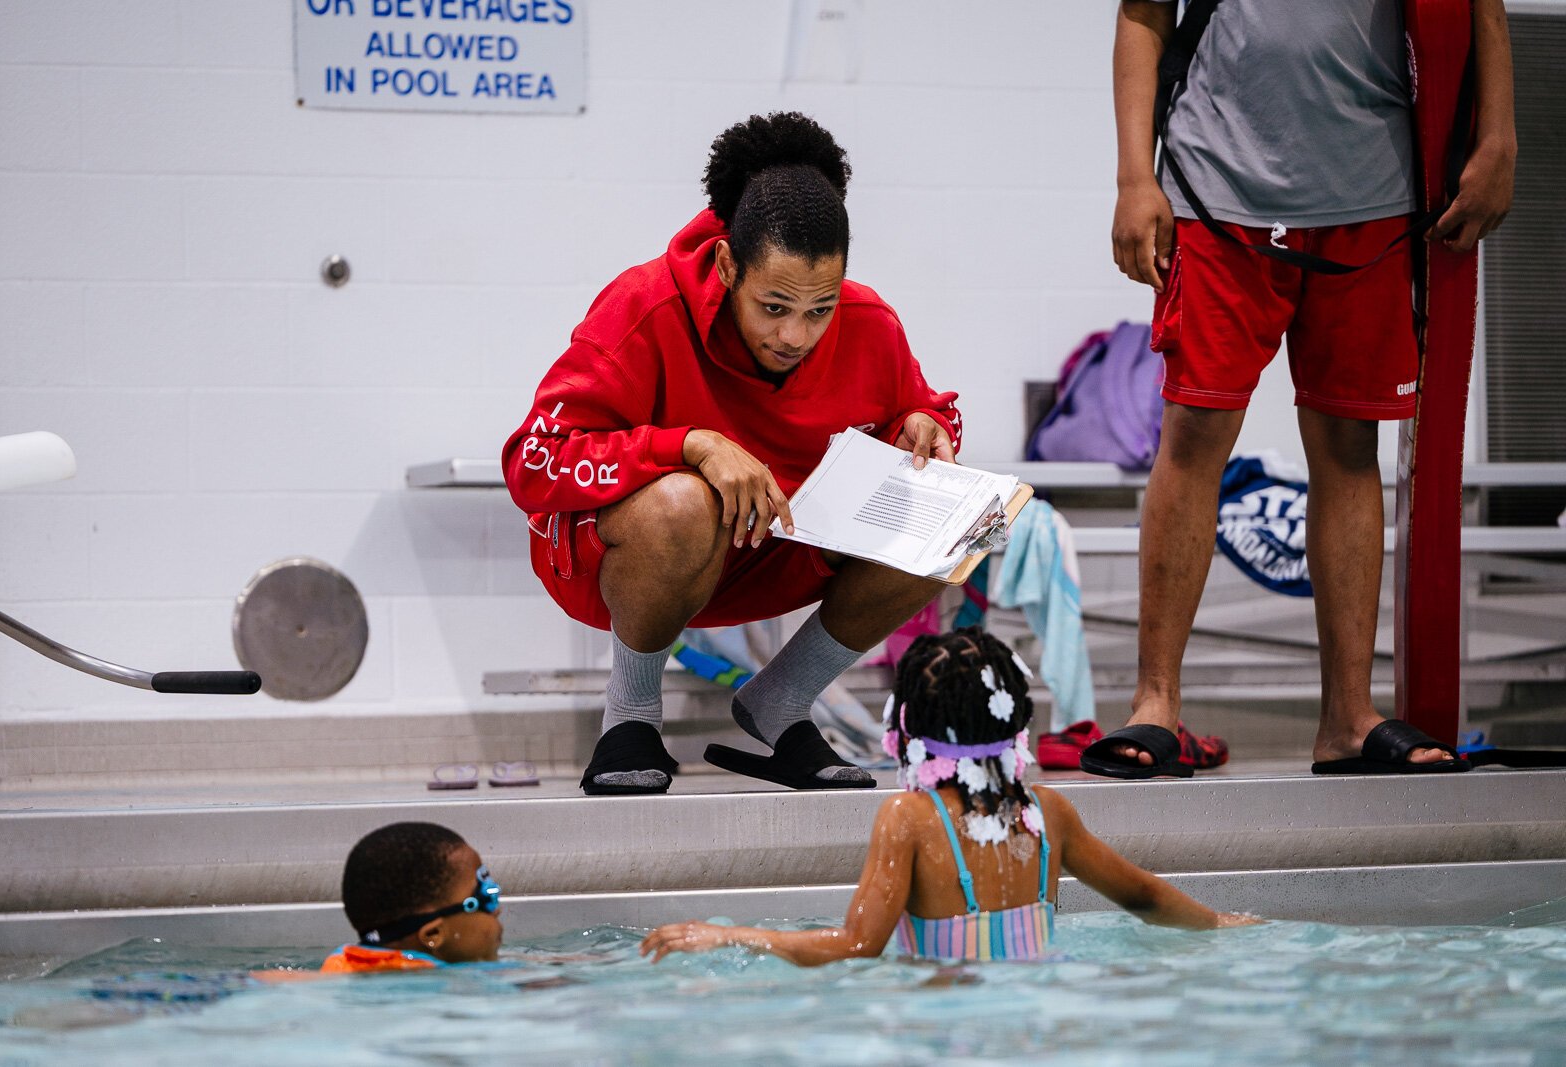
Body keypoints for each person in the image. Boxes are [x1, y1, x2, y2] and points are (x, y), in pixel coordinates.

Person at [1088, 0, 1516, 778]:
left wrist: (1499, 133)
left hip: (1374, 189)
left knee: (1351, 445)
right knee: (1192, 435)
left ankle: (1349, 718)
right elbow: (1143, 11)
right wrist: (1132, 175)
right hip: (1215, 185)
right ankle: (1156, 706)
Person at [502, 112, 962, 796]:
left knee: (950, 516)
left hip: (770, 551)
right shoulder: (644, 304)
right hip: (630, 558)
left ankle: (778, 703)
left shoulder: (871, 322)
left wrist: (927, 424)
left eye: (819, 310)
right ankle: (630, 715)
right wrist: (690, 444)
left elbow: (923, 406)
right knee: (686, 498)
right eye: (773, 306)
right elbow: (531, 463)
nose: (796, 334)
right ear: (726, 265)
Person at [640, 628, 1255, 966]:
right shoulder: (1047, 811)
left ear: (905, 725)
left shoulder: (908, 817)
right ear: (1015, 724)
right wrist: (1223, 923)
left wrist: (732, 935)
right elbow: (1144, 895)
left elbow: (858, 944)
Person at [322, 822, 504, 972]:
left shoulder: (341, 966)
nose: (497, 910)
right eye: (487, 899)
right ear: (433, 934)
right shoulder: (450, 983)